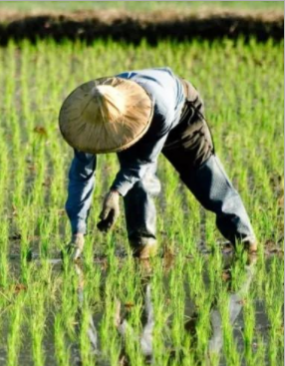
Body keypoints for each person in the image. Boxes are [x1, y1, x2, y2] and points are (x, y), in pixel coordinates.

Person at [58, 67, 257, 260]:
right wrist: (78, 231)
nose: (104, 136)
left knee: (202, 174)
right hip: (133, 119)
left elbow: (144, 160)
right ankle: (143, 247)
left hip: (179, 113)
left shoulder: (160, 107)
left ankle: (243, 238)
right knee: (137, 183)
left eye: (109, 132)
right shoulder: (84, 123)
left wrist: (115, 192)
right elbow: (81, 175)